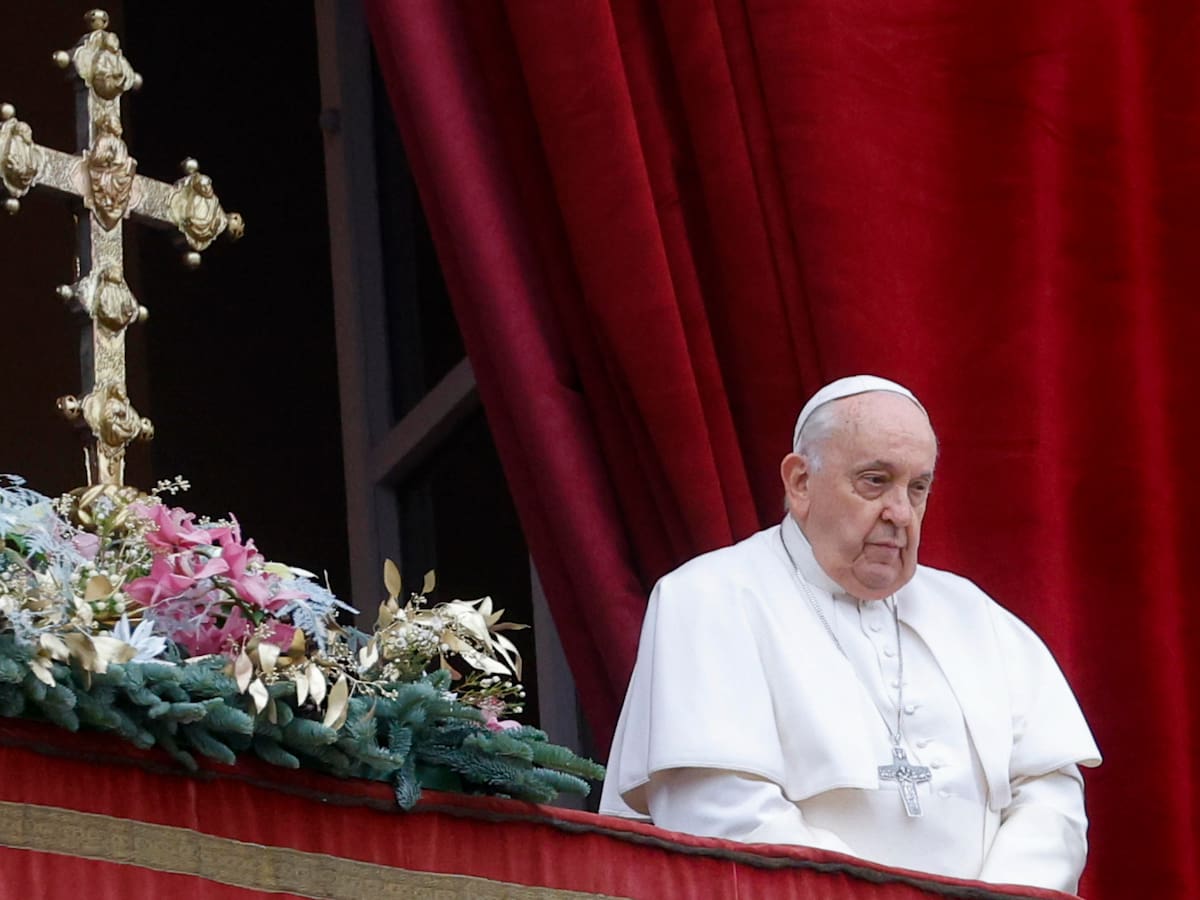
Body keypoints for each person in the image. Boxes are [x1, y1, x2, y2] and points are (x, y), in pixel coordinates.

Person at [600, 375, 1101, 893]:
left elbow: (1051, 797)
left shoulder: (974, 615)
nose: (900, 513)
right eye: (875, 481)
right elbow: (721, 811)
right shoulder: (708, 598)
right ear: (800, 482)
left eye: (918, 488)